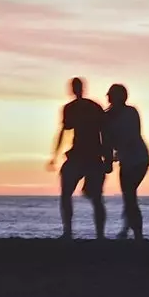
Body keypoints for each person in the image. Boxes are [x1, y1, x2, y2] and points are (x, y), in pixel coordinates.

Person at [46, 77, 108, 240]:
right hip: (83, 155)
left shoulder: (86, 107)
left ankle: (81, 233)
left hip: (89, 155)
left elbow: (104, 132)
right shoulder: (79, 108)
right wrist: (55, 155)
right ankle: (73, 232)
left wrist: (107, 157)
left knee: (91, 197)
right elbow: (64, 131)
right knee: (77, 195)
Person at [105, 83, 149, 241]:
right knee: (129, 196)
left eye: (110, 93)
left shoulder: (130, 112)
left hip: (138, 159)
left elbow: (130, 136)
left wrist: (112, 157)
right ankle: (128, 229)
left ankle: (136, 233)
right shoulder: (108, 116)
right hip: (127, 159)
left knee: (129, 195)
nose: (107, 96)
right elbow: (108, 141)